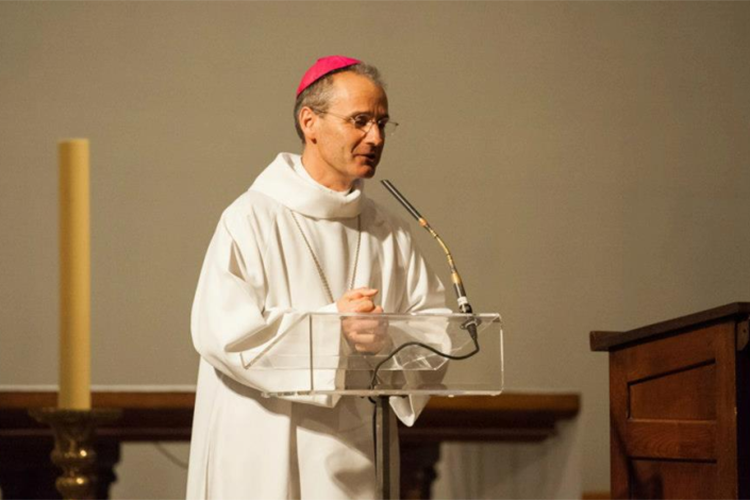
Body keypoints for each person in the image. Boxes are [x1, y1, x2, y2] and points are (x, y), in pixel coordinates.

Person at [187, 55, 448, 500]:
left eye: (382, 123)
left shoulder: (389, 231)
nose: (376, 137)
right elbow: (225, 337)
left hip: (358, 453)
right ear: (310, 122)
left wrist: (386, 337)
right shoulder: (251, 218)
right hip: (261, 452)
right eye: (360, 121)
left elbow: (437, 333)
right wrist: (334, 327)